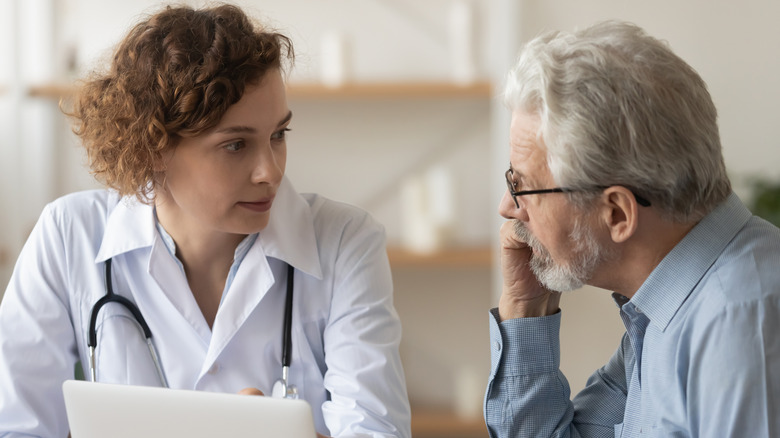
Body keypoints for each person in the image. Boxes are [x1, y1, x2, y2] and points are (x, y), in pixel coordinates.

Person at [0, 4, 410, 437]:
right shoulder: (68, 236)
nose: (270, 171)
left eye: (277, 135)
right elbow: (16, 426)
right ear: (154, 146)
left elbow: (375, 429)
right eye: (236, 145)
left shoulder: (345, 242)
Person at [485, 20, 780, 437]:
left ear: (619, 214)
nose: (507, 208)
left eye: (522, 186)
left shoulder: (740, 324)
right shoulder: (659, 314)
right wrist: (526, 305)